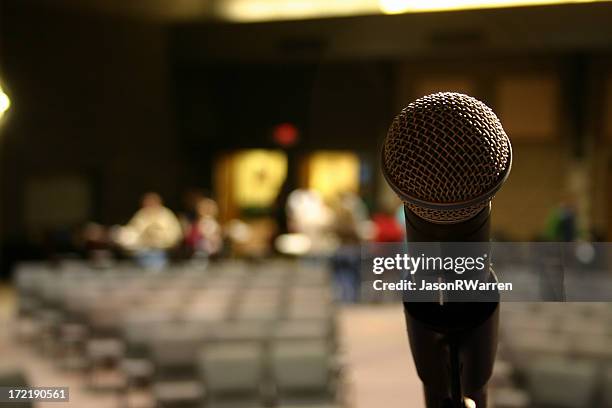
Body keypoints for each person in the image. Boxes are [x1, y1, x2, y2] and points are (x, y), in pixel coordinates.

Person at [116, 192, 182, 270]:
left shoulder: (166, 215)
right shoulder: (141, 215)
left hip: (161, 252)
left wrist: (157, 236)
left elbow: (175, 235)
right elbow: (133, 232)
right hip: (142, 251)